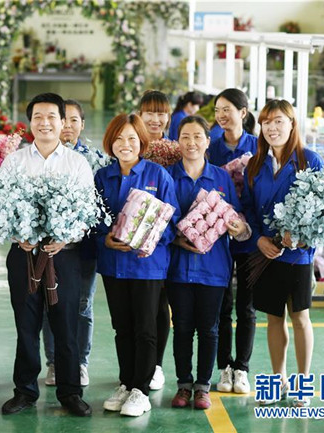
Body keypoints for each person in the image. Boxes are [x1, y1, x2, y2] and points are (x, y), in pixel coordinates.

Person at [0, 93, 93, 417]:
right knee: (26, 326)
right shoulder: (14, 162)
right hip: (24, 255)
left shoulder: (76, 163)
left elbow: (86, 213)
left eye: (52, 116)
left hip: (63, 257)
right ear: (30, 122)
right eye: (38, 117)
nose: (45, 123)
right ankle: (24, 391)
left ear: (63, 121)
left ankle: (70, 392)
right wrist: (18, 234)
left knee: (66, 326)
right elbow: (2, 207)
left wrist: (66, 237)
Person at [95, 113, 180, 417]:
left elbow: (172, 222)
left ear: (142, 142)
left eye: (132, 138)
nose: (125, 144)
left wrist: (151, 240)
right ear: (110, 142)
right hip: (114, 264)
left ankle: (140, 391)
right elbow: (94, 220)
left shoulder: (158, 176)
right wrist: (105, 239)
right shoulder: (102, 177)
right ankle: (126, 382)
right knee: (122, 327)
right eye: (119, 138)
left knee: (145, 327)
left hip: (147, 265)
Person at [242, 100, 324, 408]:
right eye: (266, 122)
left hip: (298, 256)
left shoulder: (309, 161)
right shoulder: (254, 165)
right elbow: (248, 209)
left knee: (300, 318)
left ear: (292, 124)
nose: (272, 128)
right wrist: (259, 240)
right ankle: (278, 380)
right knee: (274, 318)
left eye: (278, 121)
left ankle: (303, 383)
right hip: (268, 254)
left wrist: (301, 239)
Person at [166, 116, 250, 410]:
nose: (191, 143)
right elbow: (161, 222)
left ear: (207, 142)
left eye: (197, 137)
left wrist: (238, 226)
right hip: (177, 268)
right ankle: (183, 384)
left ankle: (203, 386)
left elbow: (236, 215)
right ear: (178, 141)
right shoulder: (168, 176)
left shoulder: (221, 177)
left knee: (209, 328)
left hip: (214, 268)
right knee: (182, 327)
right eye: (185, 137)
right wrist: (177, 239)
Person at [42, 99, 96, 387]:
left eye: (74, 120)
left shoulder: (94, 161)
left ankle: (81, 362)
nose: (68, 126)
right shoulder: (43, 158)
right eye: (63, 120)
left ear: (82, 125)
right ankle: (54, 363)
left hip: (83, 249)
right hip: (49, 247)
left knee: (82, 306)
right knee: (50, 304)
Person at [209, 88, 258, 395]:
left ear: (243, 112)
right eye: (217, 110)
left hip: (250, 237)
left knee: (247, 307)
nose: (221, 115)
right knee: (222, 305)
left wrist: (246, 224)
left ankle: (242, 368)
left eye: (227, 109)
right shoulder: (211, 148)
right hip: (220, 238)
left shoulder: (258, 146)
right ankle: (224, 367)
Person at [136, 90, 175, 390]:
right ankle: (136, 367)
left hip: (169, 238)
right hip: (135, 243)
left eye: (161, 113)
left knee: (161, 304)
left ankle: (156, 365)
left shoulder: (175, 151)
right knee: (138, 306)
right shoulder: (130, 145)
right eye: (149, 112)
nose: (155, 118)